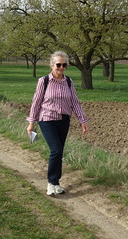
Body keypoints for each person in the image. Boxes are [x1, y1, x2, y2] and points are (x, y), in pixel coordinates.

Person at [26, 51, 89, 196]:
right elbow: (36, 102)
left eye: (64, 65)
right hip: (47, 119)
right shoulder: (44, 81)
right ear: (52, 65)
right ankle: (50, 182)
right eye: (58, 64)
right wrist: (31, 123)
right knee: (56, 150)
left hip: (64, 120)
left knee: (59, 151)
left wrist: (82, 120)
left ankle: (56, 183)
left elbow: (74, 101)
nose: (61, 67)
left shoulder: (68, 82)